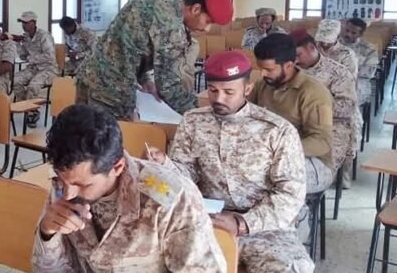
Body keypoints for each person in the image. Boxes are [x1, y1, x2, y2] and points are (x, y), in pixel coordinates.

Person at [151, 50, 312, 272]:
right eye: (213, 90)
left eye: (228, 92)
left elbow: (291, 194)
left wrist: (243, 223)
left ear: (247, 89)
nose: (219, 99)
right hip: (207, 219)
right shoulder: (194, 121)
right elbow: (186, 172)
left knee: (288, 268)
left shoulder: (276, 131)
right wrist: (165, 165)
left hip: (264, 227)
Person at [32, 104, 226, 272]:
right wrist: (47, 232)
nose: (68, 194)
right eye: (61, 180)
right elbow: (48, 269)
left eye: (82, 185)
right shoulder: (67, 181)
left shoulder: (172, 199)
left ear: (117, 167)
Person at [76, 0, 233, 119]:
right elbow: (169, 89)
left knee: (80, 137)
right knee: (108, 142)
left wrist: (145, 79)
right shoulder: (172, 30)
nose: (207, 29)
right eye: (208, 21)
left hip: (88, 78)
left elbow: (127, 47)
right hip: (111, 95)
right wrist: (206, 113)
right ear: (196, 9)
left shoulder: (147, 0)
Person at [250, 33, 335, 193]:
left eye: (268, 69)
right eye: (260, 69)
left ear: (289, 65)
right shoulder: (264, 85)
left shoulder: (313, 93)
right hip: (269, 155)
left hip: (312, 161)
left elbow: (322, 142)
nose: (263, 74)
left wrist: (279, 151)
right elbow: (247, 116)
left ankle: (296, 210)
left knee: (268, 180)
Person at [291, 29, 361, 188]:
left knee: (304, 176)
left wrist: (309, 109)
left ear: (311, 48)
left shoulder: (338, 73)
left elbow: (347, 108)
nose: (295, 61)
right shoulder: (290, 72)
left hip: (331, 128)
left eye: (298, 55)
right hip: (296, 126)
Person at [12, 11, 58, 128]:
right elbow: (23, 56)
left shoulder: (44, 36)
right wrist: (17, 44)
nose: (24, 25)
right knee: (15, 81)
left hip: (48, 68)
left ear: (34, 22)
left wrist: (31, 58)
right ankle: (29, 108)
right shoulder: (26, 37)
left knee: (33, 86)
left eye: (26, 22)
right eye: (22, 22)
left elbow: (50, 56)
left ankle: (32, 113)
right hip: (33, 68)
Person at [340, 18, 379, 113]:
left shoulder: (368, 49)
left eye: (353, 33)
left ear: (360, 34)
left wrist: (348, 71)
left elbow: (369, 72)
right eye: (347, 30)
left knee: (348, 99)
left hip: (357, 83)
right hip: (335, 80)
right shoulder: (334, 45)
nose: (348, 34)